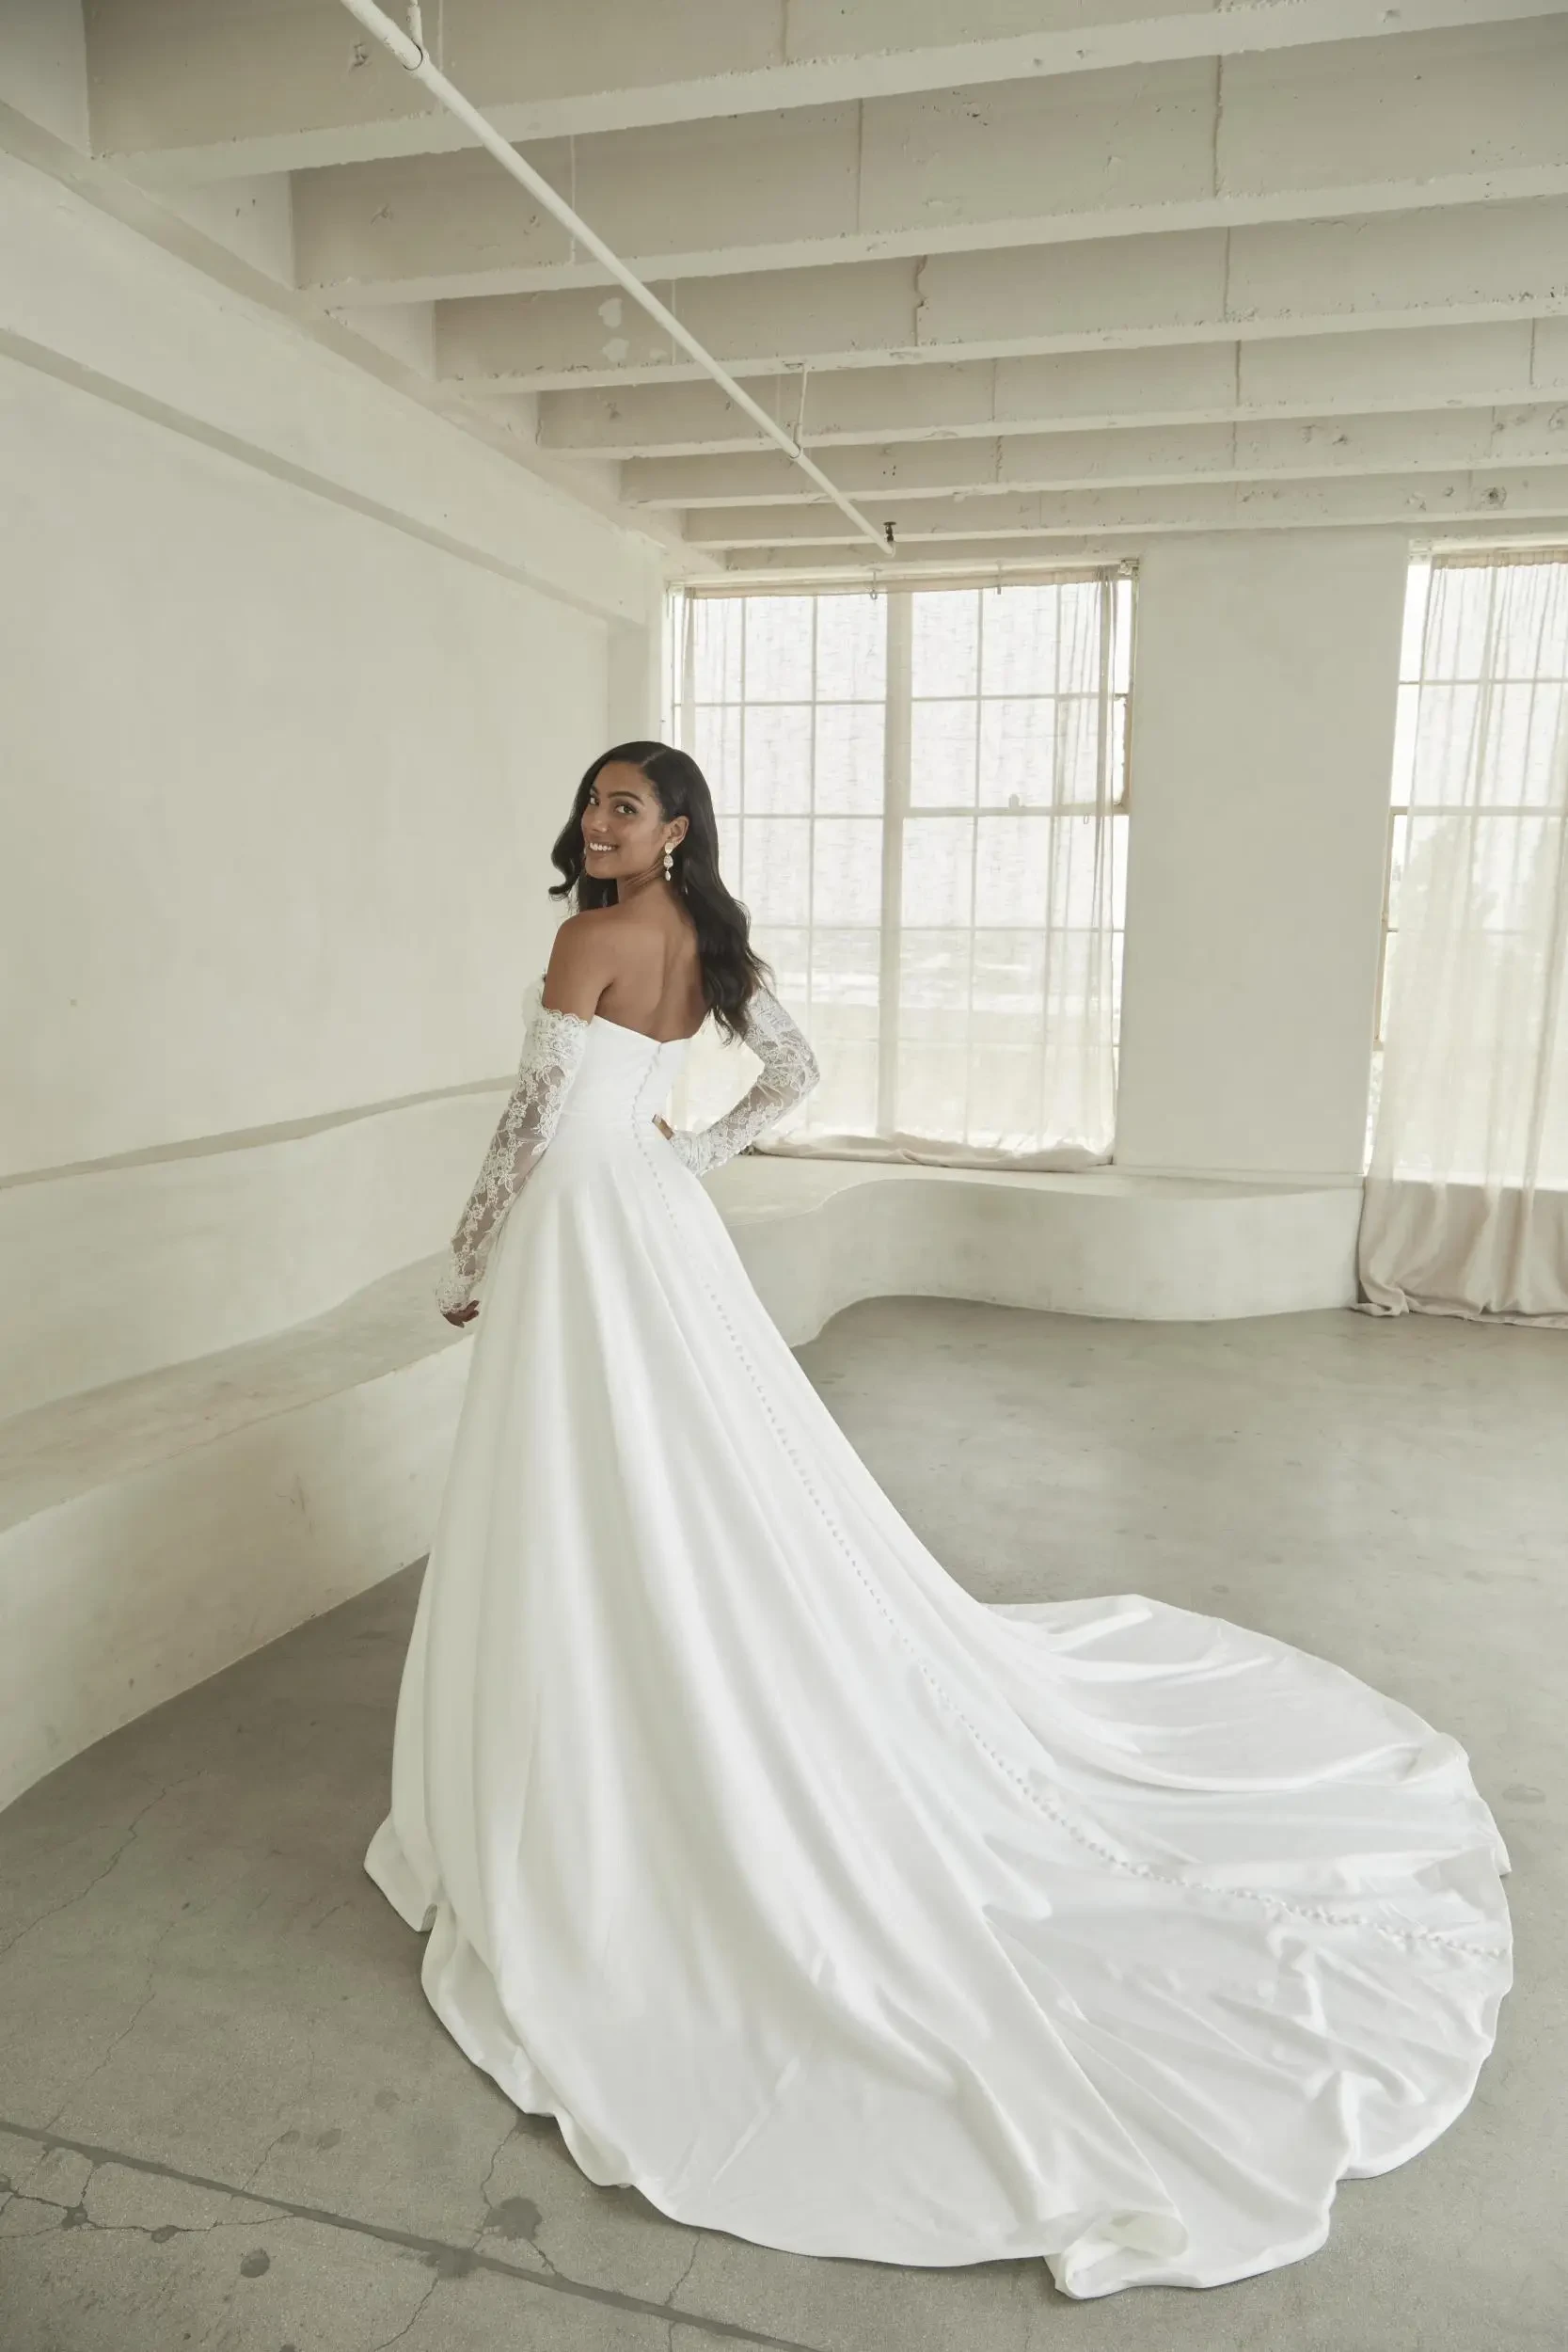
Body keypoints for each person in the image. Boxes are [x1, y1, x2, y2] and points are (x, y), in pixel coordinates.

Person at [365, 740, 1512, 2301]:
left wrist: (468, 1249)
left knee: (597, 1473)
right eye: (593, 801)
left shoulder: (586, 937)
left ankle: (603, 1714)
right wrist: (679, 1162)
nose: (599, 823)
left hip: (584, 1229)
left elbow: (525, 1118)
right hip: (649, 1223)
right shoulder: (709, 940)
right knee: (684, 1474)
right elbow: (792, 1072)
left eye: (626, 806)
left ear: (675, 825)